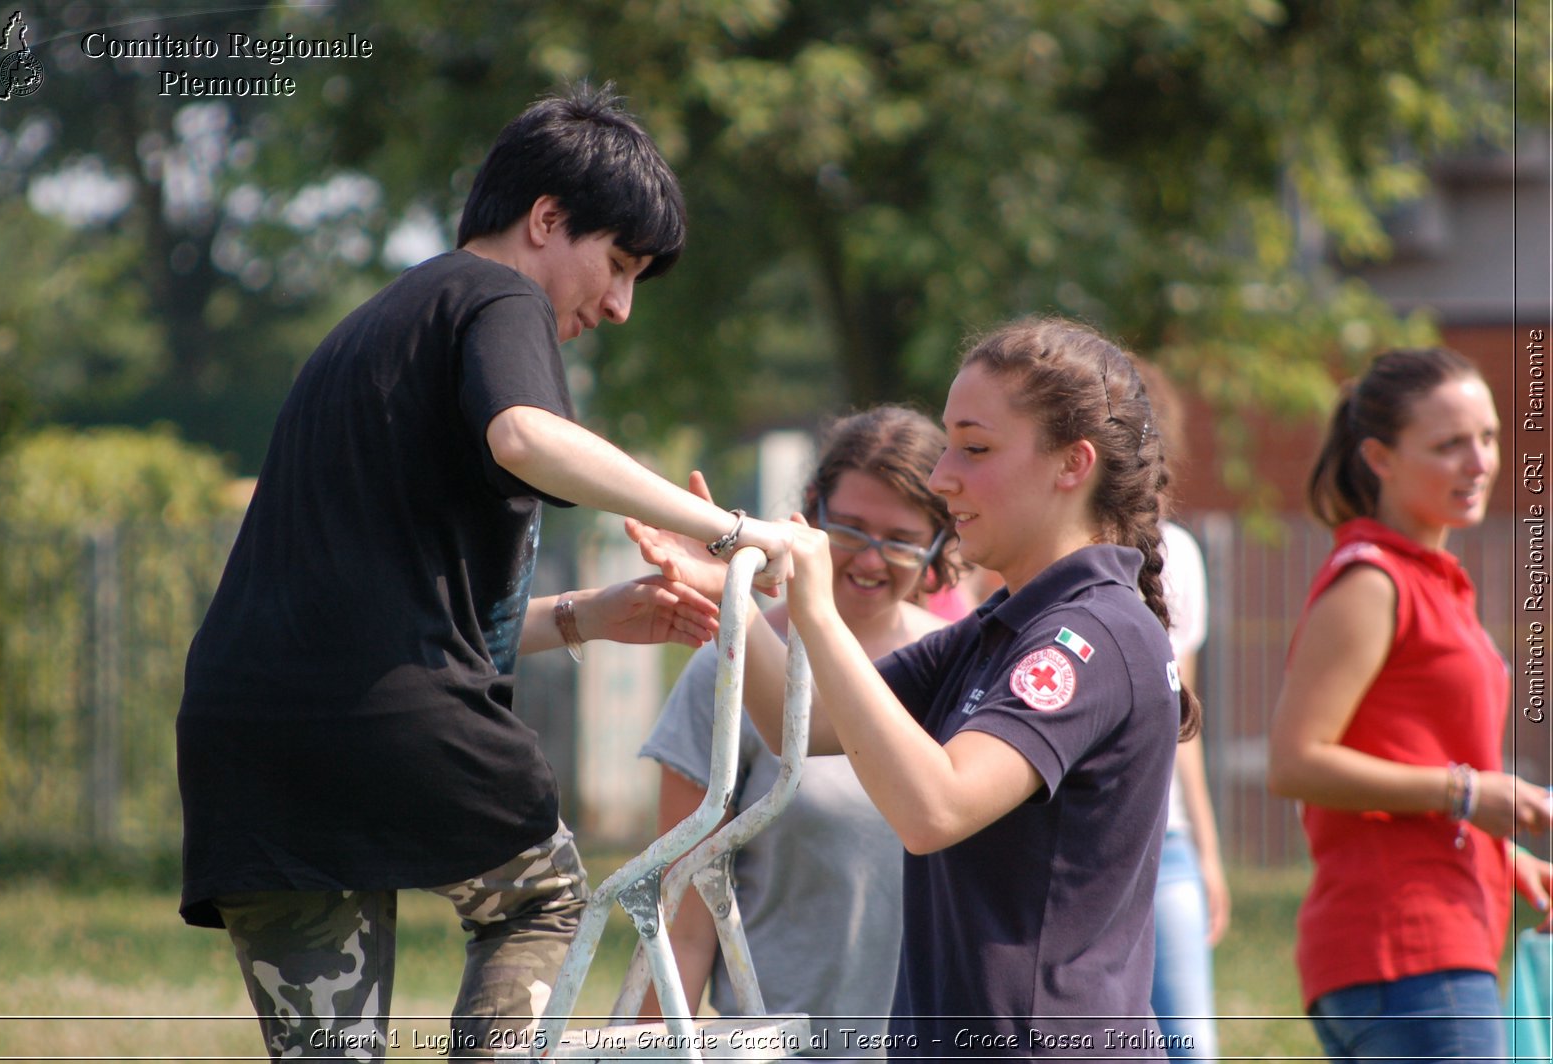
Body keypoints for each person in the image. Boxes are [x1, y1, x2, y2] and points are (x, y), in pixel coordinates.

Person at [175, 82, 794, 1062]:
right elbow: (525, 436)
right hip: (376, 723)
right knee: (540, 895)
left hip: (246, 746)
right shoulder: (498, 294)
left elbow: (401, 616)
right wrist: (730, 528)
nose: (621, 306)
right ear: (546, 219)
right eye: (618, 264)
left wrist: (589, 614)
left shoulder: (369, 332)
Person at [633, 316, 1200, 1056]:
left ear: (1072, 465)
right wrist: (734, 594)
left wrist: (815, 605)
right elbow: (805, 725)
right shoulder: (1007, 623)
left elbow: (936, 808)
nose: (941, 477)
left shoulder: (1088, 636)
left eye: (976, 447)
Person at [638, 406, 957, 1052]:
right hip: (775, 1043)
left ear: (937, 547)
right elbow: (683, 920)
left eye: (899, 538)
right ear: (808, 517)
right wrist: (650, 1046)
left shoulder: (961, 668)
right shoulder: (730, 667)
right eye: (851, 530)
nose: (871, 559)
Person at [1266, 346, 1553, 1062]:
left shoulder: (1432, 580)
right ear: (1380, 457)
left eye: (1487, 437)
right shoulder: (1372, 581)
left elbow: (1406, 751)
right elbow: (1295, 761)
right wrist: (1466, 794)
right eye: (1449, 444)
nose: (1479, 462)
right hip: (1405, 953)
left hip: (1430, 950)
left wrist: (1505, 855)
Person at [1136, 361, 1229, 1060]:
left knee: (1188, 1046)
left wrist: (1205, 851)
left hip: (1163, 842)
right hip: (1068, 844)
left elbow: (1181, 722)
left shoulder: (1178, 556)